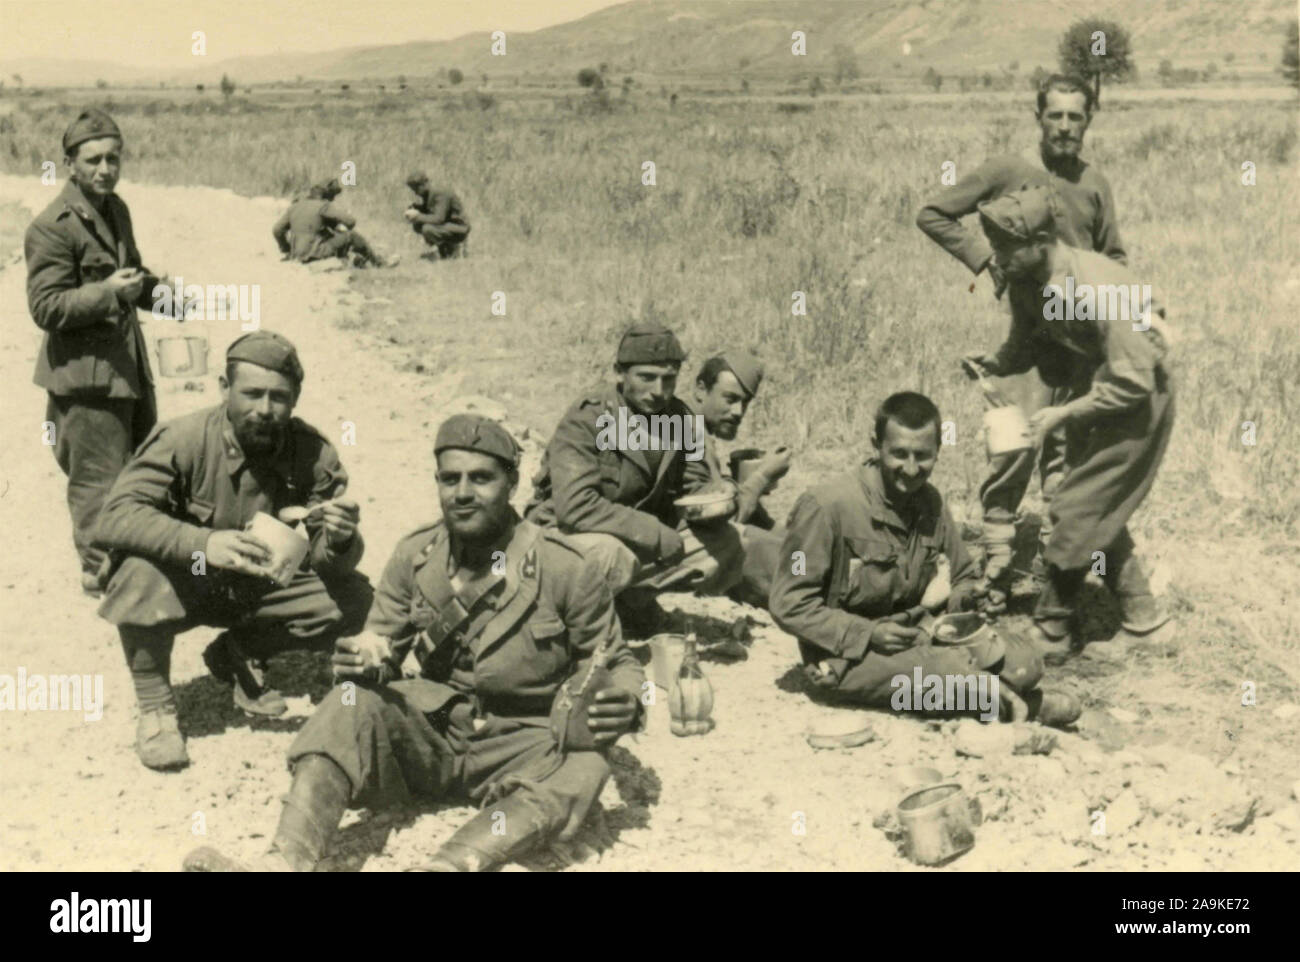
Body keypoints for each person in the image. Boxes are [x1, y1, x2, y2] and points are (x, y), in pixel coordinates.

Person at [183, 414, 644, 873]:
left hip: (522, 742)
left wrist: (627, 700)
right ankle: (285, 862)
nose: (463, 492)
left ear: (512, 482)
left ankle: (448, 866)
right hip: (437, 734)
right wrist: (362, 661)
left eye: (481, 478)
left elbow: (617, 660)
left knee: (586, 762)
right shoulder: (415, 554)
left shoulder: (564, 566)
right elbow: (382, 647)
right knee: (350, 702)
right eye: (450, 479)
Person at [93, 331, 372, 769]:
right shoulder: (181, 439)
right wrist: (203, 544)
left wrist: (340, 540)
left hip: (259, 586)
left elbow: (325, 562)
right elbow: (116, 516)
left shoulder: (313, 454)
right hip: (190, 577)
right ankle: (157, 710)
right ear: (225, 389)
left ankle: (239, 650)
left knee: (353, 599)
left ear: (295, 398)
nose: (264, 409)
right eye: (252, 394)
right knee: (137, 573)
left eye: (278, 397)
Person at [916, 74, 1127, 603]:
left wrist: (1101, 293)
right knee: (1011, 452)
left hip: (1083, 352)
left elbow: (1117, 257)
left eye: (1074, 116)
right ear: (1038, 118)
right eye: (1054, 115)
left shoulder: (1095, 185)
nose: (1064, 126)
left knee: (1070, 464)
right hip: (1029, 345)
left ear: (1088, 121)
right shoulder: (1006, 172)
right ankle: (992, 571)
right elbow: (933, 213)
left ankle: (1057, 584)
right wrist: (984, 259)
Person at [769, 391, 1079, 726]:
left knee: (1026, 659)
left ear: (937, 452)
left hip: (922, 636)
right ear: (876, 444)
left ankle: (993, 693)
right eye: (899, 454)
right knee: (953, 677)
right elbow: (790, 603)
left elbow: (962, 577)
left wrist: (970, 601)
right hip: (848, 656)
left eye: (923, 456)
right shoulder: (825, 507)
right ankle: (1018, 707)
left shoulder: (930, 502)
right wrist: (867, 634)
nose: (912, 469)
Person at [970, 187, 1173, 662]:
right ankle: (1145, 620)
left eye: (1005, 248)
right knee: (1086, 501)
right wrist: (998, 361)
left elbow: (1135, 380)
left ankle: (1050, 630)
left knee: (1077, 506)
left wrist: (1063, 413)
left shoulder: (1099, 286)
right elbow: (1029, 335)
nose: (996, 258)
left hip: (1140, 394)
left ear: (1040, 240)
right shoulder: (1027, 279)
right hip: (1097, 387)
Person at [524, 322, 745, 634]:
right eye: (646, 377)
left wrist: (721, 496)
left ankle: (629, 603)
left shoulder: (680, 418)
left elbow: (693, 487)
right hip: (566, 537)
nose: (659, 391)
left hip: (631, 541)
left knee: (725, 543)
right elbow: (575, 508)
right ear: (619, 373)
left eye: (669, 379)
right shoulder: (588, 418)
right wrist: (653, 533)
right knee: (611, 554)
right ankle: (562, 615)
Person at [25, 108, 163, 595]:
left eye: (114, 158)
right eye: (93, 160)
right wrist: (108, 292)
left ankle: (130, 559)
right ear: (70, 164)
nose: (106, 169)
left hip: (128, 369)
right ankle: (99, 572)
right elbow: (45, 307)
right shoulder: (52, 226)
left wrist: (170, 297)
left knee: (140, 469)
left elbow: (134, 275)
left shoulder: (116, 209)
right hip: (85, 378)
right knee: (95, 481)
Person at [692, 352, 791, 607]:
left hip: (712, 539)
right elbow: (721, 523)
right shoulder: (687, 434)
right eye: (730, 399)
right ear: (701, 390)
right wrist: (762, 476)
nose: (738, 412)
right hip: (701, 549)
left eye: (744, 403)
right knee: (802, 565)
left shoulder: (696, 428)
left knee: (800, 544)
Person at [273, 178, 396, 268]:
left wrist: (287, 249)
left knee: (332, 236)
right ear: (326, 194)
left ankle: (355, 260)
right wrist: (337, 224)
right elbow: (350, 221)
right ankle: (378, 263)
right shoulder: (323, 206)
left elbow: (277, 230)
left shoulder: (295, 206)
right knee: (351, 236)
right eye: (333, 195)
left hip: (296, 253)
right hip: (315, 252)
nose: (334, 198)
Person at [404, 171, 470, 259]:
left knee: (427, 229)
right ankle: (445, 250)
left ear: (423, 184)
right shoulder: (429, 193)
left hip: (459, 228)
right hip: (447, 225)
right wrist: (416, 208)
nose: (416, 193)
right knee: (418, 225)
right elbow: (432, 211)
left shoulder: (439, 193)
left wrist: (417, 216)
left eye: (416, 189)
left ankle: (455, 247)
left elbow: (439, 218)